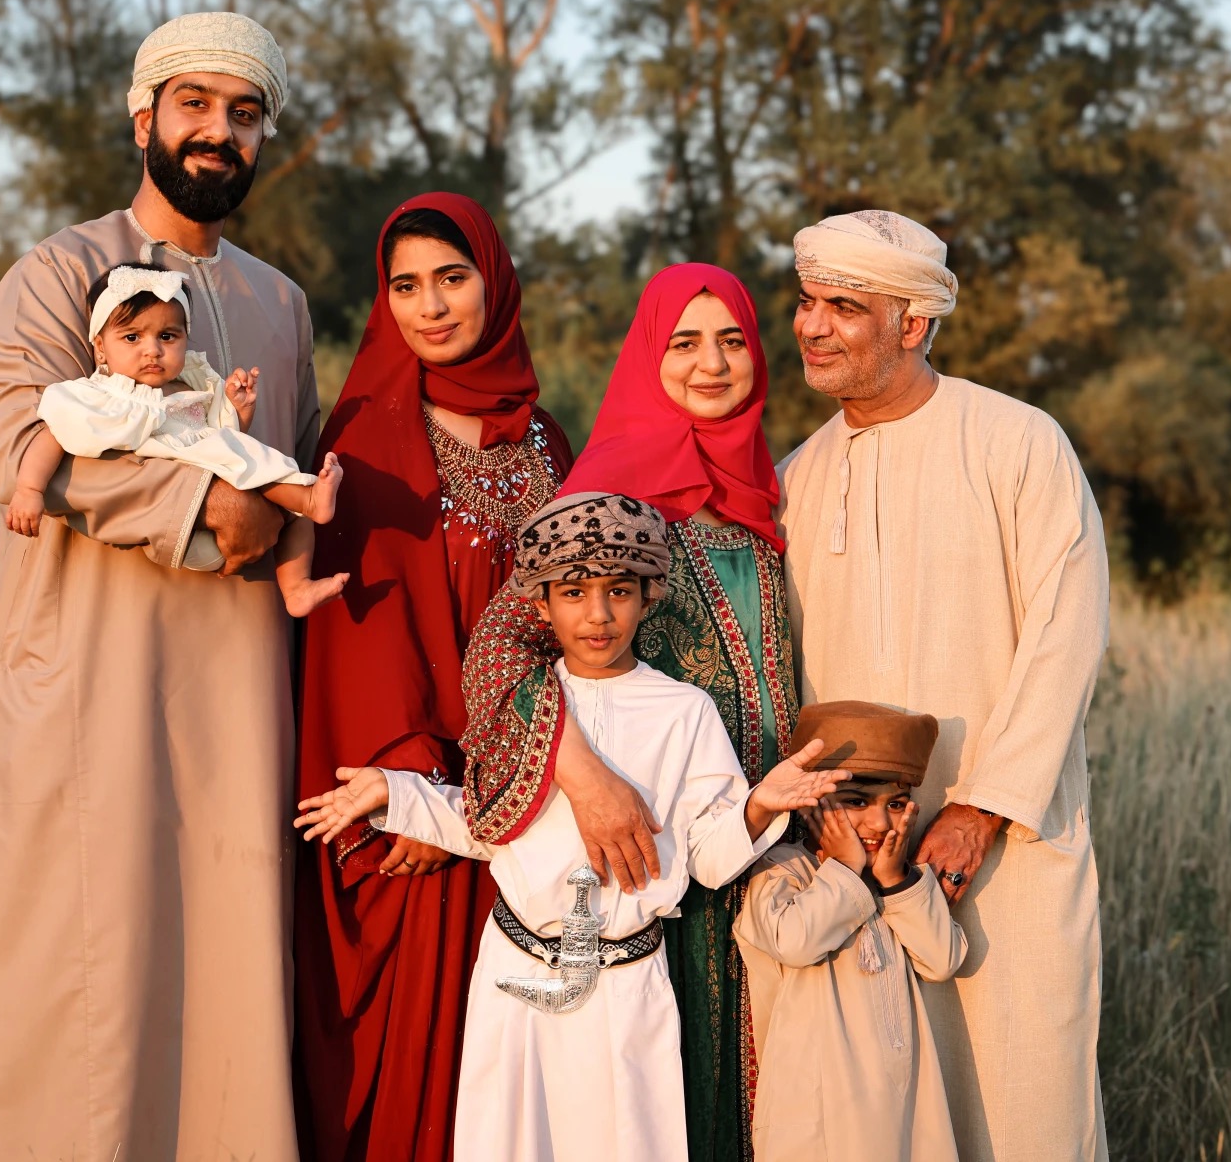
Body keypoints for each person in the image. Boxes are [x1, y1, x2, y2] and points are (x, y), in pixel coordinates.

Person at [0, 11, 314, 1160]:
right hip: (89, 685)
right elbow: (27, 444)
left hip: (236, 703)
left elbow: (293, 473)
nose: (218, 132)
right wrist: (206, 505)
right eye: (193, 104)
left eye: (243, 113)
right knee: (77, 995)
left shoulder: (281, 303)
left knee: (223, 982)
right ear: (143, 116)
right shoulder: (60, 273)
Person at [296, 493, 844, 1162]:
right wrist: (396, 791)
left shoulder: (683, 712)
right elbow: (489, 823)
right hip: (517, 975)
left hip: (626, 985)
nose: (598, 614)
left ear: (648, 596)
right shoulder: (524, 706)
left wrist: (759, 806)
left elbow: (704, 859)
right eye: (574, 592)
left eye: (619, 591)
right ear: (539, 605)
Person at [778, 210, 1112, 1161]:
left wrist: (979, 808)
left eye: (844, 307)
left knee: (1024, 1101)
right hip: (857, 857)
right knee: (883, 1115)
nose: (811, 326)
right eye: (805, 301)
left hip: (1005, 844)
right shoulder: (794, 479)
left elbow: (1066, 633)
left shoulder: (1017, 442)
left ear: (913, 324)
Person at [459, 262, 794, 1160]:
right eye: (683, 343)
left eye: (731, 341)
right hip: (644, 848)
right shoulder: (605, 496)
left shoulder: (765, 489)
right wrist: (588, 780)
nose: (711, 364)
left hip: (750, 834)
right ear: (648, 355)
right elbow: (497, 655)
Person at [294, 193, 574, 1162]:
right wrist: (417, 792)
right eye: (405, 286)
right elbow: (353, 631)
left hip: (534, 798)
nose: (430, 306)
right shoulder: (366, 438)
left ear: (493, 283)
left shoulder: (550, 441)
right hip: (418, 803)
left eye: (452, 279)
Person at [5, 262, 348, 616]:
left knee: (294, 507)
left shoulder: (190, 386)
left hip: (225, 513)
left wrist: (239, 409)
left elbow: (227, 437)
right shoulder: (101, 396)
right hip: (188, 529)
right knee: (267, 477)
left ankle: (296, 587)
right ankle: (308, 501)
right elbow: (53, 434)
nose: (152, 350)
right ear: (101, 348)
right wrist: (29, 489)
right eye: (132, 337)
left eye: (167, 336)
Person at [735, 701, 966, 1161]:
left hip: (903, 1108)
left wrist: (895, 881)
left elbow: (943, 960)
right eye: (857, 801)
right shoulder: (784, 872)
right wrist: (842, 868)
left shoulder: (899, 881)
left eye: (895, 804)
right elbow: (795, 942)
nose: (880, 823)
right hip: (818, 1116)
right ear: (810, 800)